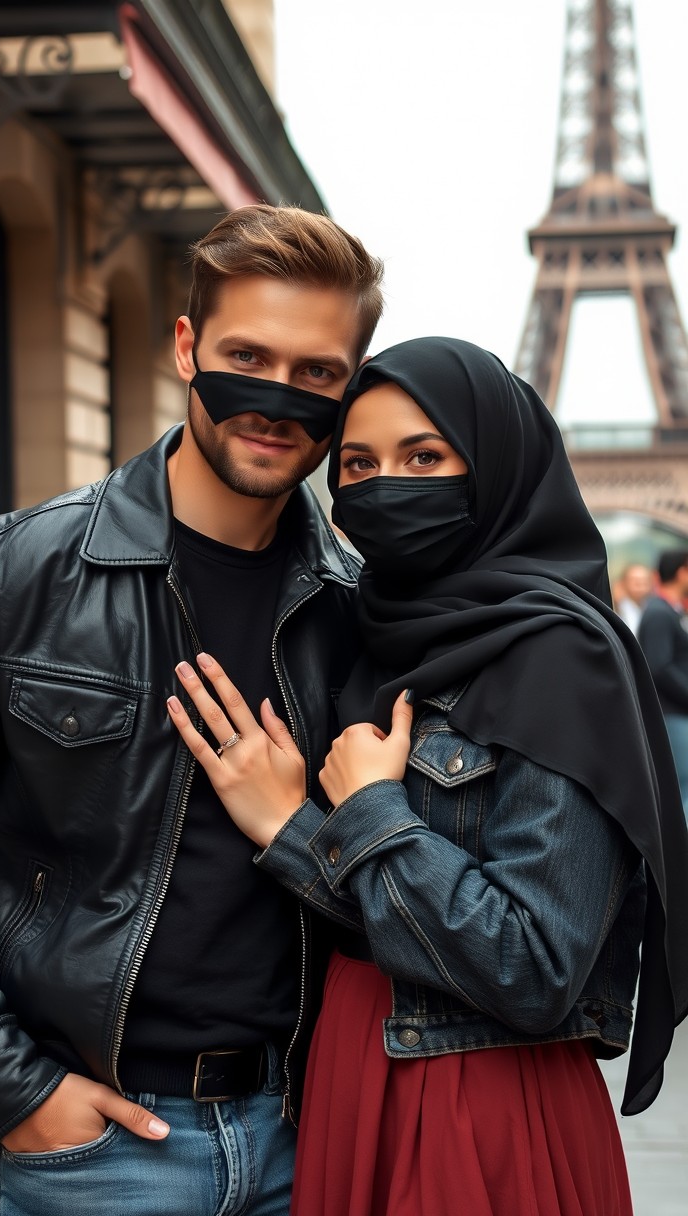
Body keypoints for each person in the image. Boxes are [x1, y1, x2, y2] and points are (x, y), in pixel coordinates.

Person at [0, 204, 384, 1216]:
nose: (276, 398)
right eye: (246, 354)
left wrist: (298, 828)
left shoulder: (361, 613)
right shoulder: (19, 569)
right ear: (187, 347)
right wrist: (7, 1085)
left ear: (348, 387)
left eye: (316, 373)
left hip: (311, 1139)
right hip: (94, 1149)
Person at [167, 337, 688, 1216]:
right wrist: (292, 828)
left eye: (424, 456)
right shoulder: (374, 635)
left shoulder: (561, 657)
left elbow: (535, 967)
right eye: (359, 463)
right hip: (357, 1071)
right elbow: (386, 917)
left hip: (479, 1101)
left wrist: (351, 813)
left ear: (494, 464)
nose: (382, 488)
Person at [638, 549, 688, 819]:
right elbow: (659, 665)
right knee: (683, 790)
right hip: (673, 715)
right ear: (682, 571)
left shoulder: (663, 610)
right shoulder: (659, 612)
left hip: (675, 714)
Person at [615, 562, 653, 634]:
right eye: (636, 582)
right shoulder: (617, 609)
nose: (641, 587)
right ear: (623, 583)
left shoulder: (653, 608)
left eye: (645, 582)